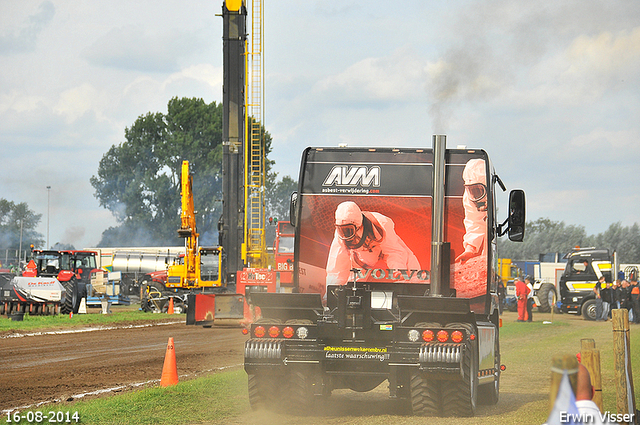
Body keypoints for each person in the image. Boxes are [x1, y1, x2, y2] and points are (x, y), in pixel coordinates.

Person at [325, 201, 421, 287]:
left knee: (413, 274)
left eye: (348, 230)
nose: (345, 233)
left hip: (389, 249)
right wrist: (331, 292)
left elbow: (393, 250)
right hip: (364, 260)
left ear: (358, 224)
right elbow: (336, 265)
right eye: (341, 229)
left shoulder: (381, 223)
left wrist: (398, 269)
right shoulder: (341, 233)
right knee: (352, 288)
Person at [455, 158, 487, 263]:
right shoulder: (469, 197)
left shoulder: (497, 197)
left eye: (479, 190)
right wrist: (470, 248)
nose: (475, 194)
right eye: (472, 190)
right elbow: (474, 222)